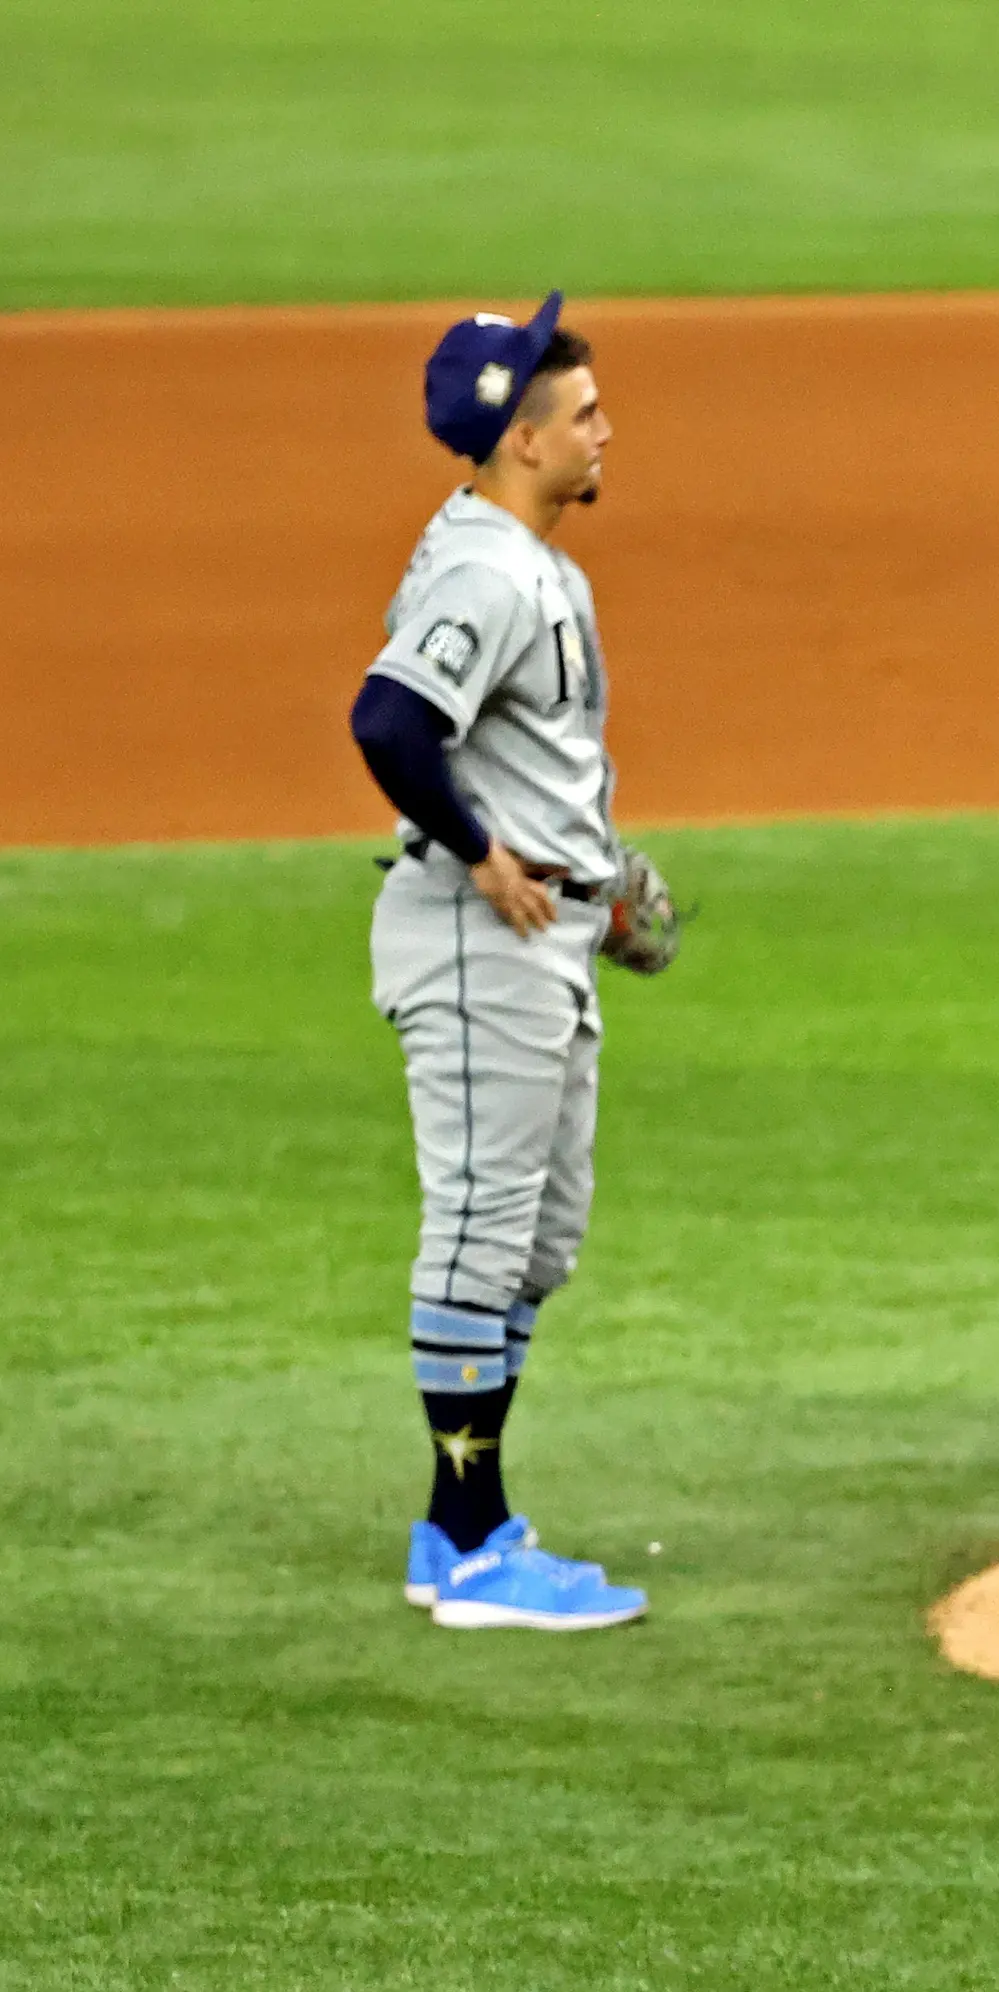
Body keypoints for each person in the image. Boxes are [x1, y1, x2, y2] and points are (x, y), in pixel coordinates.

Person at [344, 295, 650, 1631]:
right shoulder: (488, 570)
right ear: (523, 441)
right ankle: (470, 1548)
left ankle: (461, 1522)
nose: (604, 429)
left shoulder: (537, 565)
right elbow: (388, 720)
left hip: (552, 937)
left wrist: (607, 879)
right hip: (484, 944)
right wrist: (481, 851)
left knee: (537, 1241)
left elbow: (538, 759)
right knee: (478, 1232)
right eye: (583, 414)